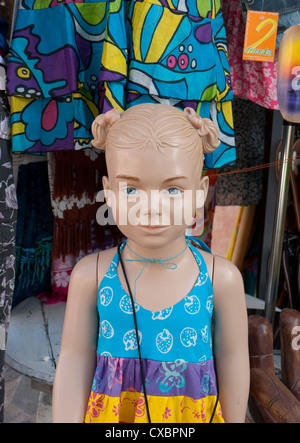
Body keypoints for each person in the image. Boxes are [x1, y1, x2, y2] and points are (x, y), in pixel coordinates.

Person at [52, 104, 249, 423]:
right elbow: (74, 359)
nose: (152, 206)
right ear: (109, 193)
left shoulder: (218, 279)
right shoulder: (93, 276)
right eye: (130, 188)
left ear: (200, 194)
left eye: (173, 189)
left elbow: (234, 358)